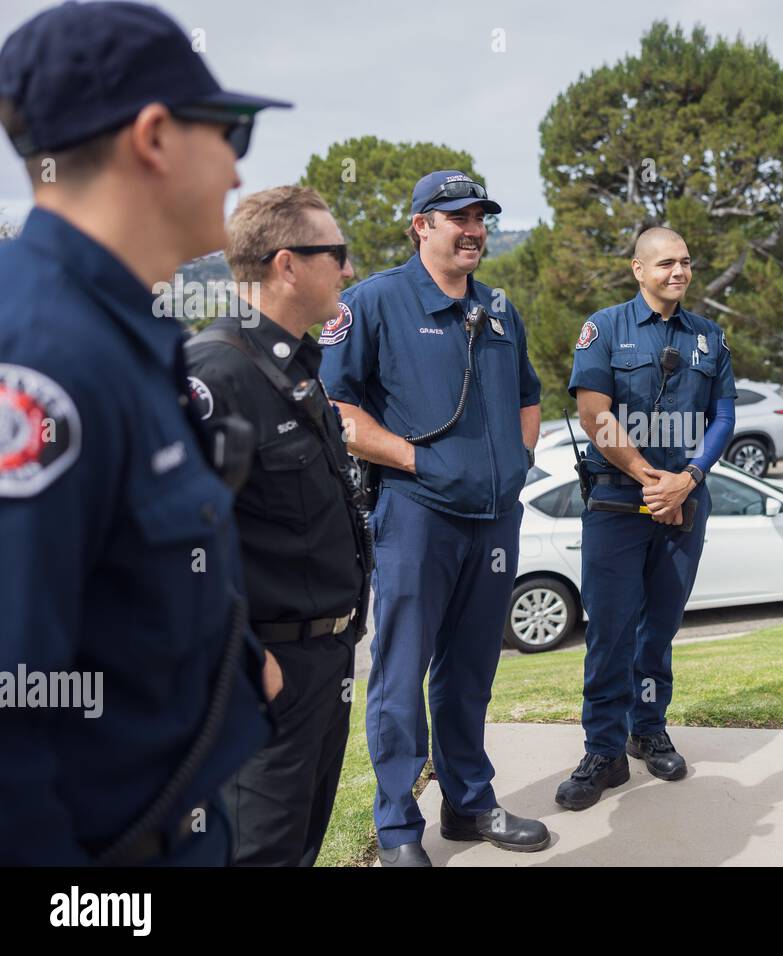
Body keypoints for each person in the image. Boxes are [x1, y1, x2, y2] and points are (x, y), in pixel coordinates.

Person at [0, 0, 289, 865]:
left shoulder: (116, 328)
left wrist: (237, 661)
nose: (239, 175)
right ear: (155, 136)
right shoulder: (43, 359)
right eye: (230, 133)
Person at [319, 170, 547, 865]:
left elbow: (529, 399)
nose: (473, 228)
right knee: (400, 671)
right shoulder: (373, 303)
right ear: (422, 225)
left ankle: (469, 803)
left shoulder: (501, 309)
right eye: (458, 217)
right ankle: (396, 826)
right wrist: (417, 464)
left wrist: (515, 464)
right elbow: (337, 411)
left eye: (480, 216)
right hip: (416, 514)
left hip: (494, 518)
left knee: (471, 668)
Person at [185, 186, 368, 866]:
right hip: (265, 674)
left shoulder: (295, 368)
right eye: (337, 255)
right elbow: (174, 546)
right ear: (287, 264)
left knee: (297, 849)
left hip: (323, 661)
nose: (347, 271)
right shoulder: (217, 373)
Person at [555, 226, 736, 811]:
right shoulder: (603, 328)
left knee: (659, 628)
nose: (678, 272)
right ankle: (602, 751)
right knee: (609, 631)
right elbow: (594, 415)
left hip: (685, 503)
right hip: (617, 503)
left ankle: (648, 728)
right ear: (638, 269)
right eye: (665, 263)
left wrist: (689, 479)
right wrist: (651, 480)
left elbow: (724, 415)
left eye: (686, 262)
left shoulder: (709, 336)